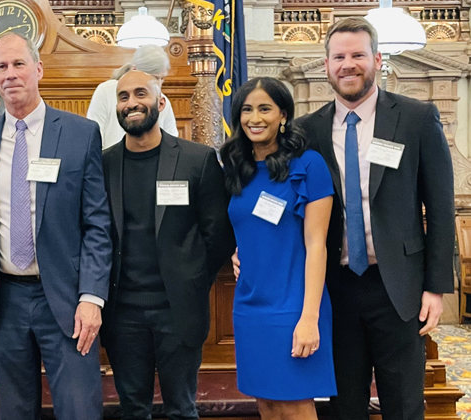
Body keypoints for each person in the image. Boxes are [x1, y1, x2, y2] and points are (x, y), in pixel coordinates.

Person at [296, 18, 455, 419]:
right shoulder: (305, 131)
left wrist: (436, 287)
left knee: (403, 404)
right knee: (342, 407)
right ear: (327, 65)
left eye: (357, 55)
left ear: (377, 60)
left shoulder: (417, 118)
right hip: (335, 289)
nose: (348, 64)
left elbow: (439, 208)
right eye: (339, 57)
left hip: (398, 288)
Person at [0, 31, 112, 420]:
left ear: (39, 69)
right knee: (15, 411)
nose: (10, 74)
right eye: (1, 66)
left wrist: (92, 297)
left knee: (80, 409)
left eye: (18, 64)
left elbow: (98, 223)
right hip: (5, 299)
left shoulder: (81, 134)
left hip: (66, 299)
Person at [100, 70, 235, 420]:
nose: (132, 103)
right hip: (122, 313)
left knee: (182, 408)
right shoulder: (104, 164)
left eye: (140, 94)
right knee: (133, 409)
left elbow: (217, 234)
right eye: (124, 96)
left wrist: (191, 279)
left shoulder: (197, 159)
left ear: (160, 102)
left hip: (178, 310)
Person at [221, 76, 336, 419]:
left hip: (293, 307)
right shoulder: (237, 168)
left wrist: (309, 318)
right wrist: (236, 251)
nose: (254, 118)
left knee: (294, 404)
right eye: (246, 109)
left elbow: (318, 245)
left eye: (265, 108)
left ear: (283, 115)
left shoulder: (309, 165)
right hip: (249, 306)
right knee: (267, 404)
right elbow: (245, 228)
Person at [87, 45, 178, 149]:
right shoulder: (106, 90)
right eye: (154, 78)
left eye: (162, 79)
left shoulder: (162, 100)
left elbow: (171, 141)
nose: (159, 85)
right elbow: (93, 137)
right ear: (134, 70)